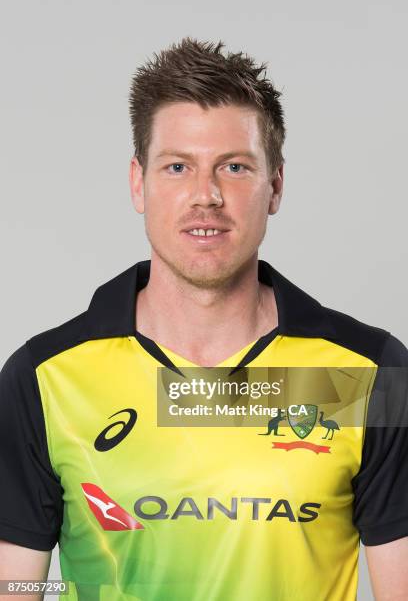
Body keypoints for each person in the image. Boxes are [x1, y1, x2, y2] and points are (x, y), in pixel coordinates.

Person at [0, 36, 407, 601]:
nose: (206, 195)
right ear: (138, 183)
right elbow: (12, 583)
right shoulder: (46, 380)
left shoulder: (368, 374)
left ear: (276, 186)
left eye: (234, 167)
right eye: (176, 167)